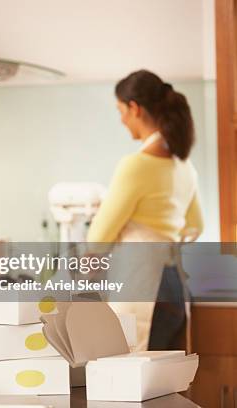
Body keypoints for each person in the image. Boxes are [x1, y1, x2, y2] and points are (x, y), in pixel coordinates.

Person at [87, 70, 204, 351]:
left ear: (134, 108)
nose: (122, 120)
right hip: (174, 287)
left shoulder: (136, 165)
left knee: (133, 381)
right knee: (161, 382)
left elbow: (98, 238)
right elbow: (195, 226)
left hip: (144, 286)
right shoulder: (183, 166)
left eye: (121, 111)